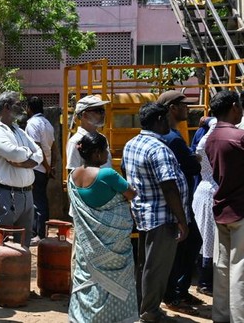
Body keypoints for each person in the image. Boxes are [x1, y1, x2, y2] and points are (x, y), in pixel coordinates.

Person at [122, 102, 189, 323]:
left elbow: (124, 171)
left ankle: (142, 307)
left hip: (142, 214)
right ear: (160, 120)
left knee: (145, 265)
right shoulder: (159, 149)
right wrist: (182, 220)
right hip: (161, 217)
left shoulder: (132, 144)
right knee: (156, 268)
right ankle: (150, 312)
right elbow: (169, 186)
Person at [68, 132, 138, 322]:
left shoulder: (73, 176)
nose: (108, 153)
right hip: (114, 246)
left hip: (89, 248)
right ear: (97, 153)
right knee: (115, 282)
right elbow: (131, 194)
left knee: (88, 280)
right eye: (106, 150)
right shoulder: (108, 174)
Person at [0, 91, 42, 303]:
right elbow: (15, 154)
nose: (22, 107)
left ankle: (19, 285)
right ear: (6, 107)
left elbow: (39, 153)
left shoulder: (17, 130)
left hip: (26, 194)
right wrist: (27, 156)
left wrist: (24, 158)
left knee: (22, 244)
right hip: (4, 193)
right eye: (17, 103)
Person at [156, 91, 203, 315]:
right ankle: (173, 293)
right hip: (176, 203)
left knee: (188, 244)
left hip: (177, 202)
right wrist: (193, 157)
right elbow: (192, 167)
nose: (188, 109)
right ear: (172, 108)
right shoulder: (172, 138)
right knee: (185, 244)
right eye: (184, 106)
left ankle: (179, 290)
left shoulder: (170, 134)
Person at [203, 90, 244, 322]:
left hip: (221, 207)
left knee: (222, 269)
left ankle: (220, 316)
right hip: (240, 209)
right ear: (233, 107)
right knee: (239, 270)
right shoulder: (238, 137)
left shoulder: (210, 138)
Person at [24, 96, 56, 245]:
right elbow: (53, 147)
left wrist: (48, 167)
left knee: (38, 202)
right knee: (40, 200)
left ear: (30, 108)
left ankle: (39, 234)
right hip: (45, 168)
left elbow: (37, 149)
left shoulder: (32, 124)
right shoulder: (48, 123)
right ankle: (39, 232)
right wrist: (51, 166)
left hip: (37, 167)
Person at [192, 117, 217, 297]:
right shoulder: (209, 135)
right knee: (207, 238)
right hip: (209, 192)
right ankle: (205, 281)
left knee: (207, 237)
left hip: (206, 191)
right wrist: (213, 121)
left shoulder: (206, 131)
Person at [65, 95, 112, 173]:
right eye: (98, 111)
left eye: (103, 110)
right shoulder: (76, 141)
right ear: (84, 115)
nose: (102, 114)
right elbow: (73, 174)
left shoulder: (102, 138)